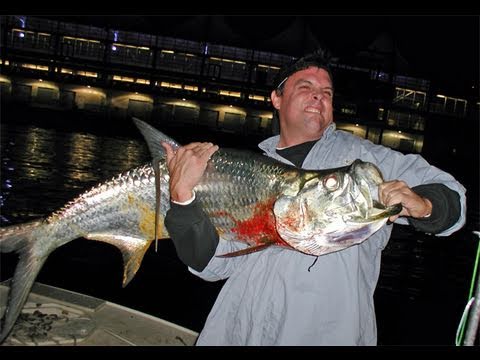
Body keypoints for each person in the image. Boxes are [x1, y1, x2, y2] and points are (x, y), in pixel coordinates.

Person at [161, 49, 466, 345]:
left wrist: (424, 206)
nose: (319, 96)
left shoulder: (362, 164)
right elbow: (214, 265)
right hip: (237, 331)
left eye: (327, 92)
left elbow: (452, 198)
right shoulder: (249, 175)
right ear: (276, 98)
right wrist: (183, 200)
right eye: (305, 87)